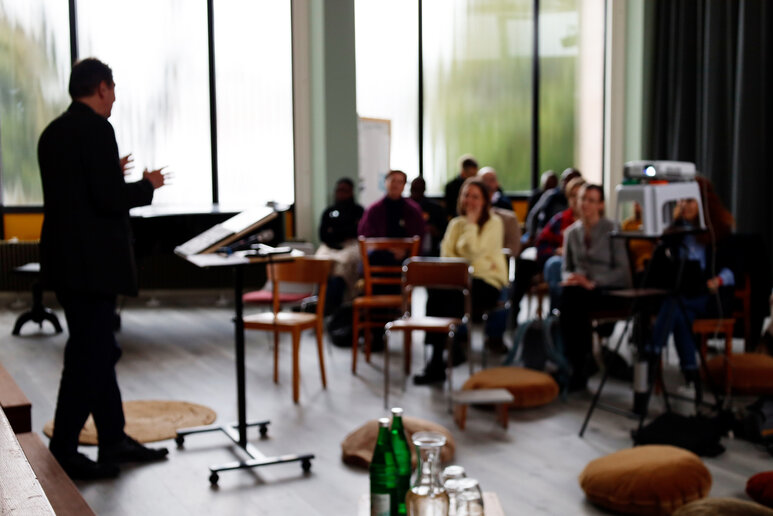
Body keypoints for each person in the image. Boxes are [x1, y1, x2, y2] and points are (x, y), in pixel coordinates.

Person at [38, 58, 169, 480]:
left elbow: (75, 192)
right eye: (112, 89)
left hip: (63, 261)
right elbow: (108, 199)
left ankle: (113, 437)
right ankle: (64, 450)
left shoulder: (52, 133)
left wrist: (109, 175)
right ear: (99, 87)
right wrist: (147, 184)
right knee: (88, 355)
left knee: (97, 350)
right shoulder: (98, 129)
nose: (113, 98)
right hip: (92, 266)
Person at [647, 177, 737, 393]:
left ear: (702, 202)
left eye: (689, 201)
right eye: (680, 201)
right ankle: (691, 374)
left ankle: (651, 353)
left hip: (708, 294)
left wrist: (717, 281)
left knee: (675, 307)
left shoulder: (719, 231)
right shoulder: (675, 231)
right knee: (679, 311)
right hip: (682, 292)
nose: (683, 206)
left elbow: (734, 269)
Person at [416, 178, 509, 384]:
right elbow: (447, 258)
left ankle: (445, 354)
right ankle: (445, 352)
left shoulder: (494, 223)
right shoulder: (454, 224)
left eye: (475, 196)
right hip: (458, 283)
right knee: (437, 292)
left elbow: (473, 253)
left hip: (486, 283)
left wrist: (471, 225)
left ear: (485, 201)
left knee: (444, 297)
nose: (469, 200)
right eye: (466, 195)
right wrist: (472, 262)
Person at [559, 184, 631, 391]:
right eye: (582, 199)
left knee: (571, 301)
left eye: (591, 200)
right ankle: (581, 362)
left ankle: (579, 366)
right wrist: (573, 277)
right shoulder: (571, 233)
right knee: (570, 297)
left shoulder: (612, 229)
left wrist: (593, 281)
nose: (586, 204)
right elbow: (566, 268)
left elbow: (622, 272)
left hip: (608, 288)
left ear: (600, 205)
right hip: (579, 290)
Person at [538, 176, 586, 311]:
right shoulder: (559, 221)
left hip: (588, 266)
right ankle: (558, 314)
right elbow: (541, 246)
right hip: (562, 264)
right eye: (573, 196)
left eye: (580, 196)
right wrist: (555, 251)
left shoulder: (595, 222)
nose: (577, 201)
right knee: (554, 265)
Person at [315, 178, 364, 308]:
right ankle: (319, 302)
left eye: (345, 191)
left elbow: (355, 231)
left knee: (342, 265)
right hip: (330, 246)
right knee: (320, 261)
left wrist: (336, 230)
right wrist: (340, 232)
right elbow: (323, 234)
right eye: (339, 190)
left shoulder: (358, 210)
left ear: (351, 192)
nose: (341, 194)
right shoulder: (329, 211)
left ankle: (339, 305)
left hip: (350, 246)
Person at [525, 167, 581, 244]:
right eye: (565, 179)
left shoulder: (584, 204)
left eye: (572, 180)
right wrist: (532, 235)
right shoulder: (550, 196)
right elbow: (533, 215)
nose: (567, 183)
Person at [410, 176, 447, 256]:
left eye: (419, 189)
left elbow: (444, 231)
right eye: (414, 189)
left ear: (424, 189)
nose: (416, 192)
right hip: (410, 247)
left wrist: (434, 230)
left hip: (431, 247)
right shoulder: (406, 207)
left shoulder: (435, 208)